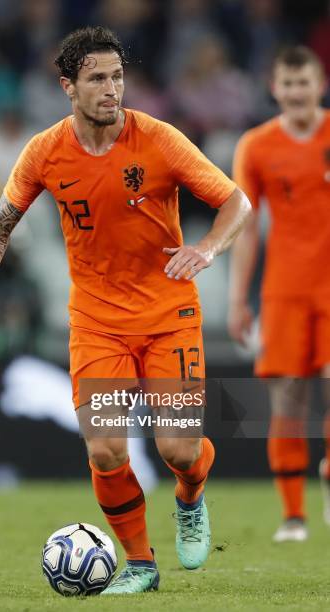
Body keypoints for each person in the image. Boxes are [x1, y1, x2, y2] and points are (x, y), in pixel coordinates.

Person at [0, 26, 250, 593]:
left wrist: (205, 248)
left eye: (118, 76)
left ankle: (190, 495)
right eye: (97, 78)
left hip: (168, 314)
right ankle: (139, 565)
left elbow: (236, 200)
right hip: (98, 323)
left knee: (180, 450)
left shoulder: (158, 138)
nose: (112, 89)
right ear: (68, 86)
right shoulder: (44, 151)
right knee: (107, 451)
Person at [229, 46, 330, 543]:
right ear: (275, 89)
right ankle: (294, 516)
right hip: (284, 290)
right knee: (287, 402)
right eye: (287, 84)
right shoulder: (256, 146)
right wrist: (236, 299)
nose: (295, 92)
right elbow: (245, 228)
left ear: (320, 83)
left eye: (303, 82)